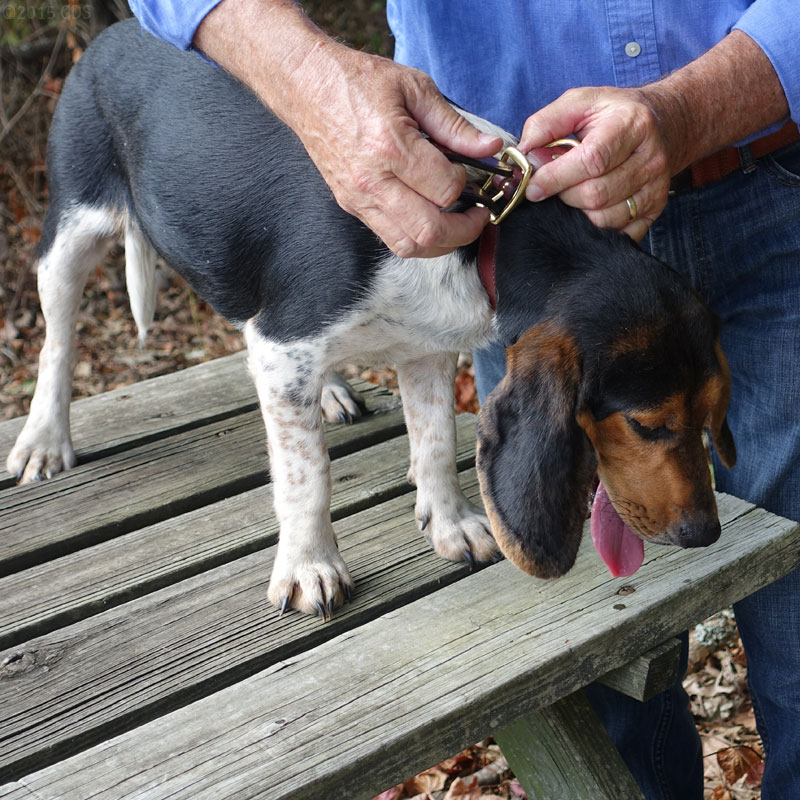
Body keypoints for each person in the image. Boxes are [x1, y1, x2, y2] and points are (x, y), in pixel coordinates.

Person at [128, 1, 800, 796]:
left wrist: (691, 106)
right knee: (593, 661)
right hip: (491, 236)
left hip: (768, 182)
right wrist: (313, 80)